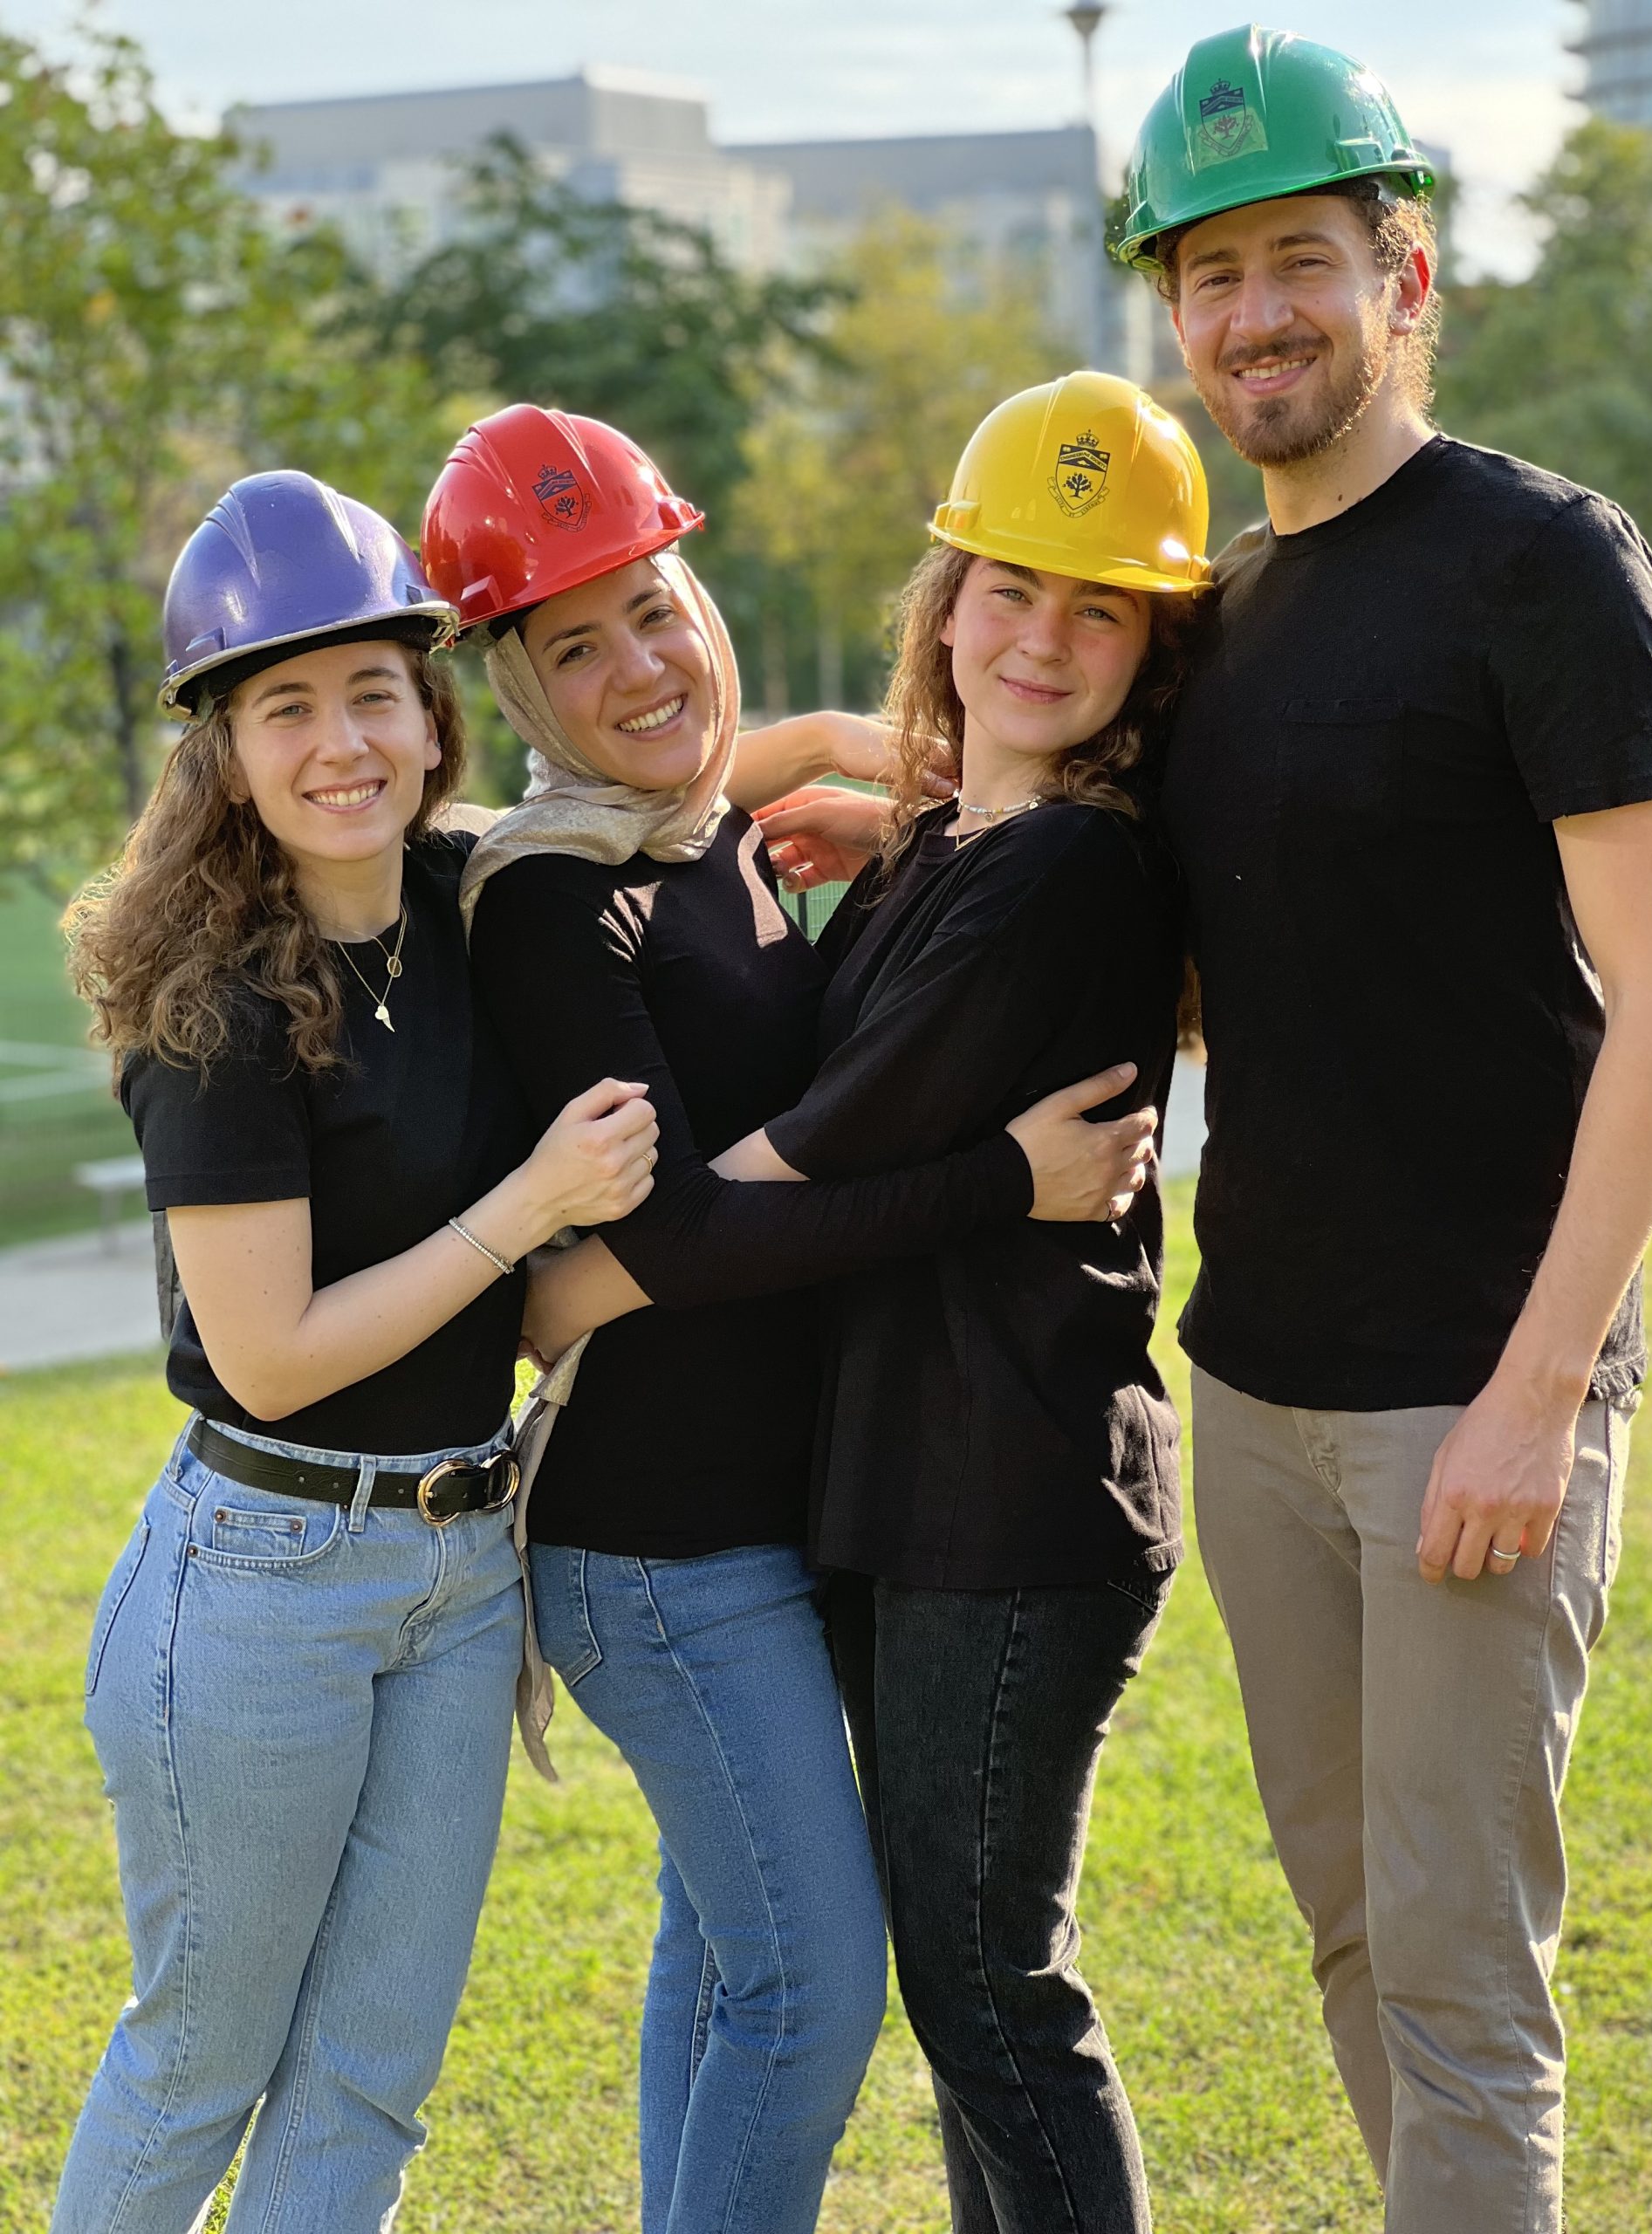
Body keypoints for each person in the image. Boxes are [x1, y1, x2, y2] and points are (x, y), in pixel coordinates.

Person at [420, 402, 1155, 2234]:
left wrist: (865, 784)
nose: (640, 667)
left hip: (781, 1505)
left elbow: (719, 1191)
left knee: (722, 1943)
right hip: (655, 1540)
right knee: (807, 1990)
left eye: (657, 608)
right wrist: (1004, 1177)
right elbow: (682, 1227)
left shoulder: (714, 841)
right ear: (512, 681)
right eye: (573, 644)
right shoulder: (553, 894)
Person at [1108, 27, 1652, 2232]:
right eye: (1210, 274)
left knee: (1456, 1973)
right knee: (1350, 1926)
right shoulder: (1221, 615)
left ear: (1402, 266)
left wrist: (1540, 1395)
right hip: (1253, 1383)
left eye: (1299, 260)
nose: (1255, 314)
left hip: (1474, 1383)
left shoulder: (1541, 562)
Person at [52, 470, 658, 2234]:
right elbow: (273, 1355)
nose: (339, 742)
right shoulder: (210, 997)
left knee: (377, 2067)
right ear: (224, 750)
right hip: (264, 1574)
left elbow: (668, 803)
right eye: (283, 705)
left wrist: (863, 749)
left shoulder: (473, 900)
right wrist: (533, 1200)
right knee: (202, 2058)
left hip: (465, 1570)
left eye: (370, 690)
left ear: (430, 709)